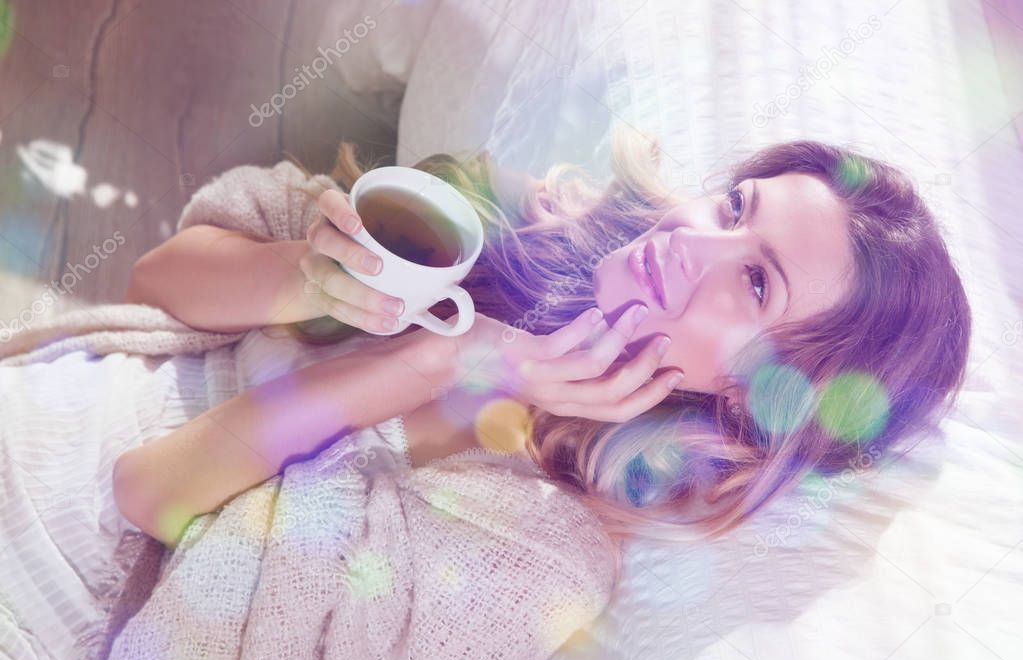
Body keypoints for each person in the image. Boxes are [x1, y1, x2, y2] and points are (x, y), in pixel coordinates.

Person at [118, 128, 970, 548]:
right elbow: (156, 282)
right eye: (734, 208)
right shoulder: (488, 220)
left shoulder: (540, 536)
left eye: (755, 282)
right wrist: (307, 280)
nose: (691, 241)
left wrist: (447, 358)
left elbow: (151, 493)